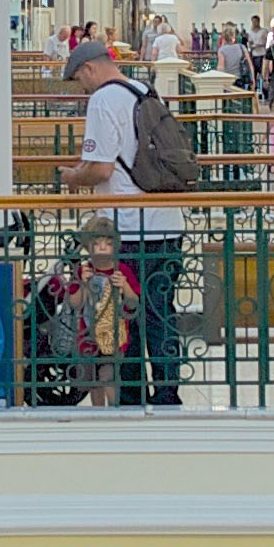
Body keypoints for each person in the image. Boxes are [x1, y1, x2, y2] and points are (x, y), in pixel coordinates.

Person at [69, 38, 188, 408]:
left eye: (79, 80)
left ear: (89, 69)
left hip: (129, 228)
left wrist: (70, 177)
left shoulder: (103, 100)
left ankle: (132, 395)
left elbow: (101, 168)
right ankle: (168, 393)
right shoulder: (144, 91)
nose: (82, 88)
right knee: (161, 313)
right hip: (167, 224)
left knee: (126, 317)